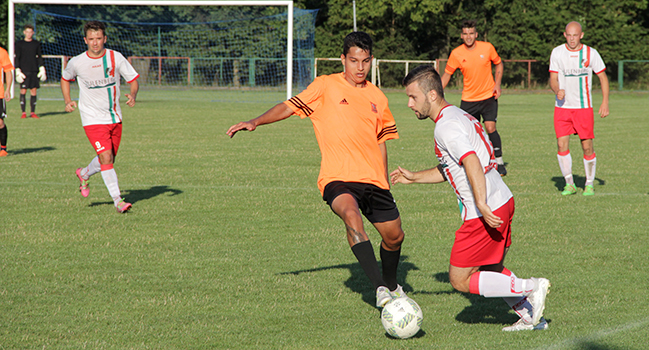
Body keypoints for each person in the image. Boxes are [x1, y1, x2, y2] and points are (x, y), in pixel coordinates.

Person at [227, 32, 406, 308]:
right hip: (337, 178)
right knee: (351, 215)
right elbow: (288, 107)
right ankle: (380, 288)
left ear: (372, 61)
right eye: (354, 60)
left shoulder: (378, 97)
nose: (360, 67)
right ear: (343, 59)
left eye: (365, 61)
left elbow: (381, 143)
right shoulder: (325, 86)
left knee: (394, 237)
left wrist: (384, 182)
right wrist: (256, 121)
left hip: (373, 180)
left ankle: (393, 285)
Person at [392, 65, 550, 332]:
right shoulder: (456, 114)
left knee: (459, 279)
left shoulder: (445, 127)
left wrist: (480, 204)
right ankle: (531, 317)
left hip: (484, 210)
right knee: (490, 267)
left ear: (431, 95)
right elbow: (453, 167)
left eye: (413, 97)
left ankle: (532, 286)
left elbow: (471, 162)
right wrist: (414, 177)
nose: (409, 104)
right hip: (502, 198)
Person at [61, 21, 139, 213]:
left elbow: (133, 79)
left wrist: (133, 95)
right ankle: (118, 200)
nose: (95, 43)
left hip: (114, 117)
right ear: (85, 40)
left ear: (104, 38)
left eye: (98, 38)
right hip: (92, 119)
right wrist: (68, 100)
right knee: (106, 156)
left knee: (108, 159)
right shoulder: (77, 62)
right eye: (91, 39)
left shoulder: (115, 57)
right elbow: (65, 78)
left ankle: (84, 173)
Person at [548, 21, 609, 196]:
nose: (572, 39)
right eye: (569, 35)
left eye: (575, 35)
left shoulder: (591, 53)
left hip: (583, 108)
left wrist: (605, 102)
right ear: (564, 35)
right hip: (562, 108)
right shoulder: (557, 52)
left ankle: (589, 183)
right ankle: (569, 184)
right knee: (561, 144)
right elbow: (553, 78)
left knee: (587, 146)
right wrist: (557, 89)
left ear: (581, 35)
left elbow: (603, 78)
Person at [440, 19, 507, 176]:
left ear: (476, 34)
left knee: (490, 127)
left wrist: (497, 84)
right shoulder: (456, 53)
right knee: (469, 132)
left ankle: (500, 163)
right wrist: (436, 91)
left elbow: (499, 64)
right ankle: (477, 162)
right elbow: (446, 75)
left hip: (488, 96)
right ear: (461, 36)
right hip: (469, 99)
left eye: (471, 33)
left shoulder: (487, 47)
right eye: (465, 34)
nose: (468, 36)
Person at [15, 24, 46, 119]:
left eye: (31, 32)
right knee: (23, 91)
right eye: (27, 32)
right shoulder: (19, 44)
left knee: (33, 91)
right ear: (24, 32)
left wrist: (42, 69)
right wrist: (17, 70)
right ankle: (23, 112)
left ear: (33, 33)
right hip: (24, 71)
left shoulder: (36, 44)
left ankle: (33, 112)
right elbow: (17, 57)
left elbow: (39, 57)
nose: (29, 34)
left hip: (34, 71)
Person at [0, 46, 14, 157]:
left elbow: (8, 72)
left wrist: (8, 89)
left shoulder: (2, 52)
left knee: (0, 122)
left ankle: (3, 148)